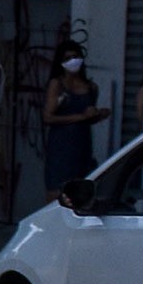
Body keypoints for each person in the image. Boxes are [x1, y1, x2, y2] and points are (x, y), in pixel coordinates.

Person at [41, 54, 107, 190]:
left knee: (80, 188)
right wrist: (81, 116)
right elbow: (48, 117)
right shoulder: (57, 84)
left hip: (82, 144)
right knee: (57, 189)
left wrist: (98, 114)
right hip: (61, 145)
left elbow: (90, 118)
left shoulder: (91, 87)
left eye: (75, 56)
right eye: (68, 58)